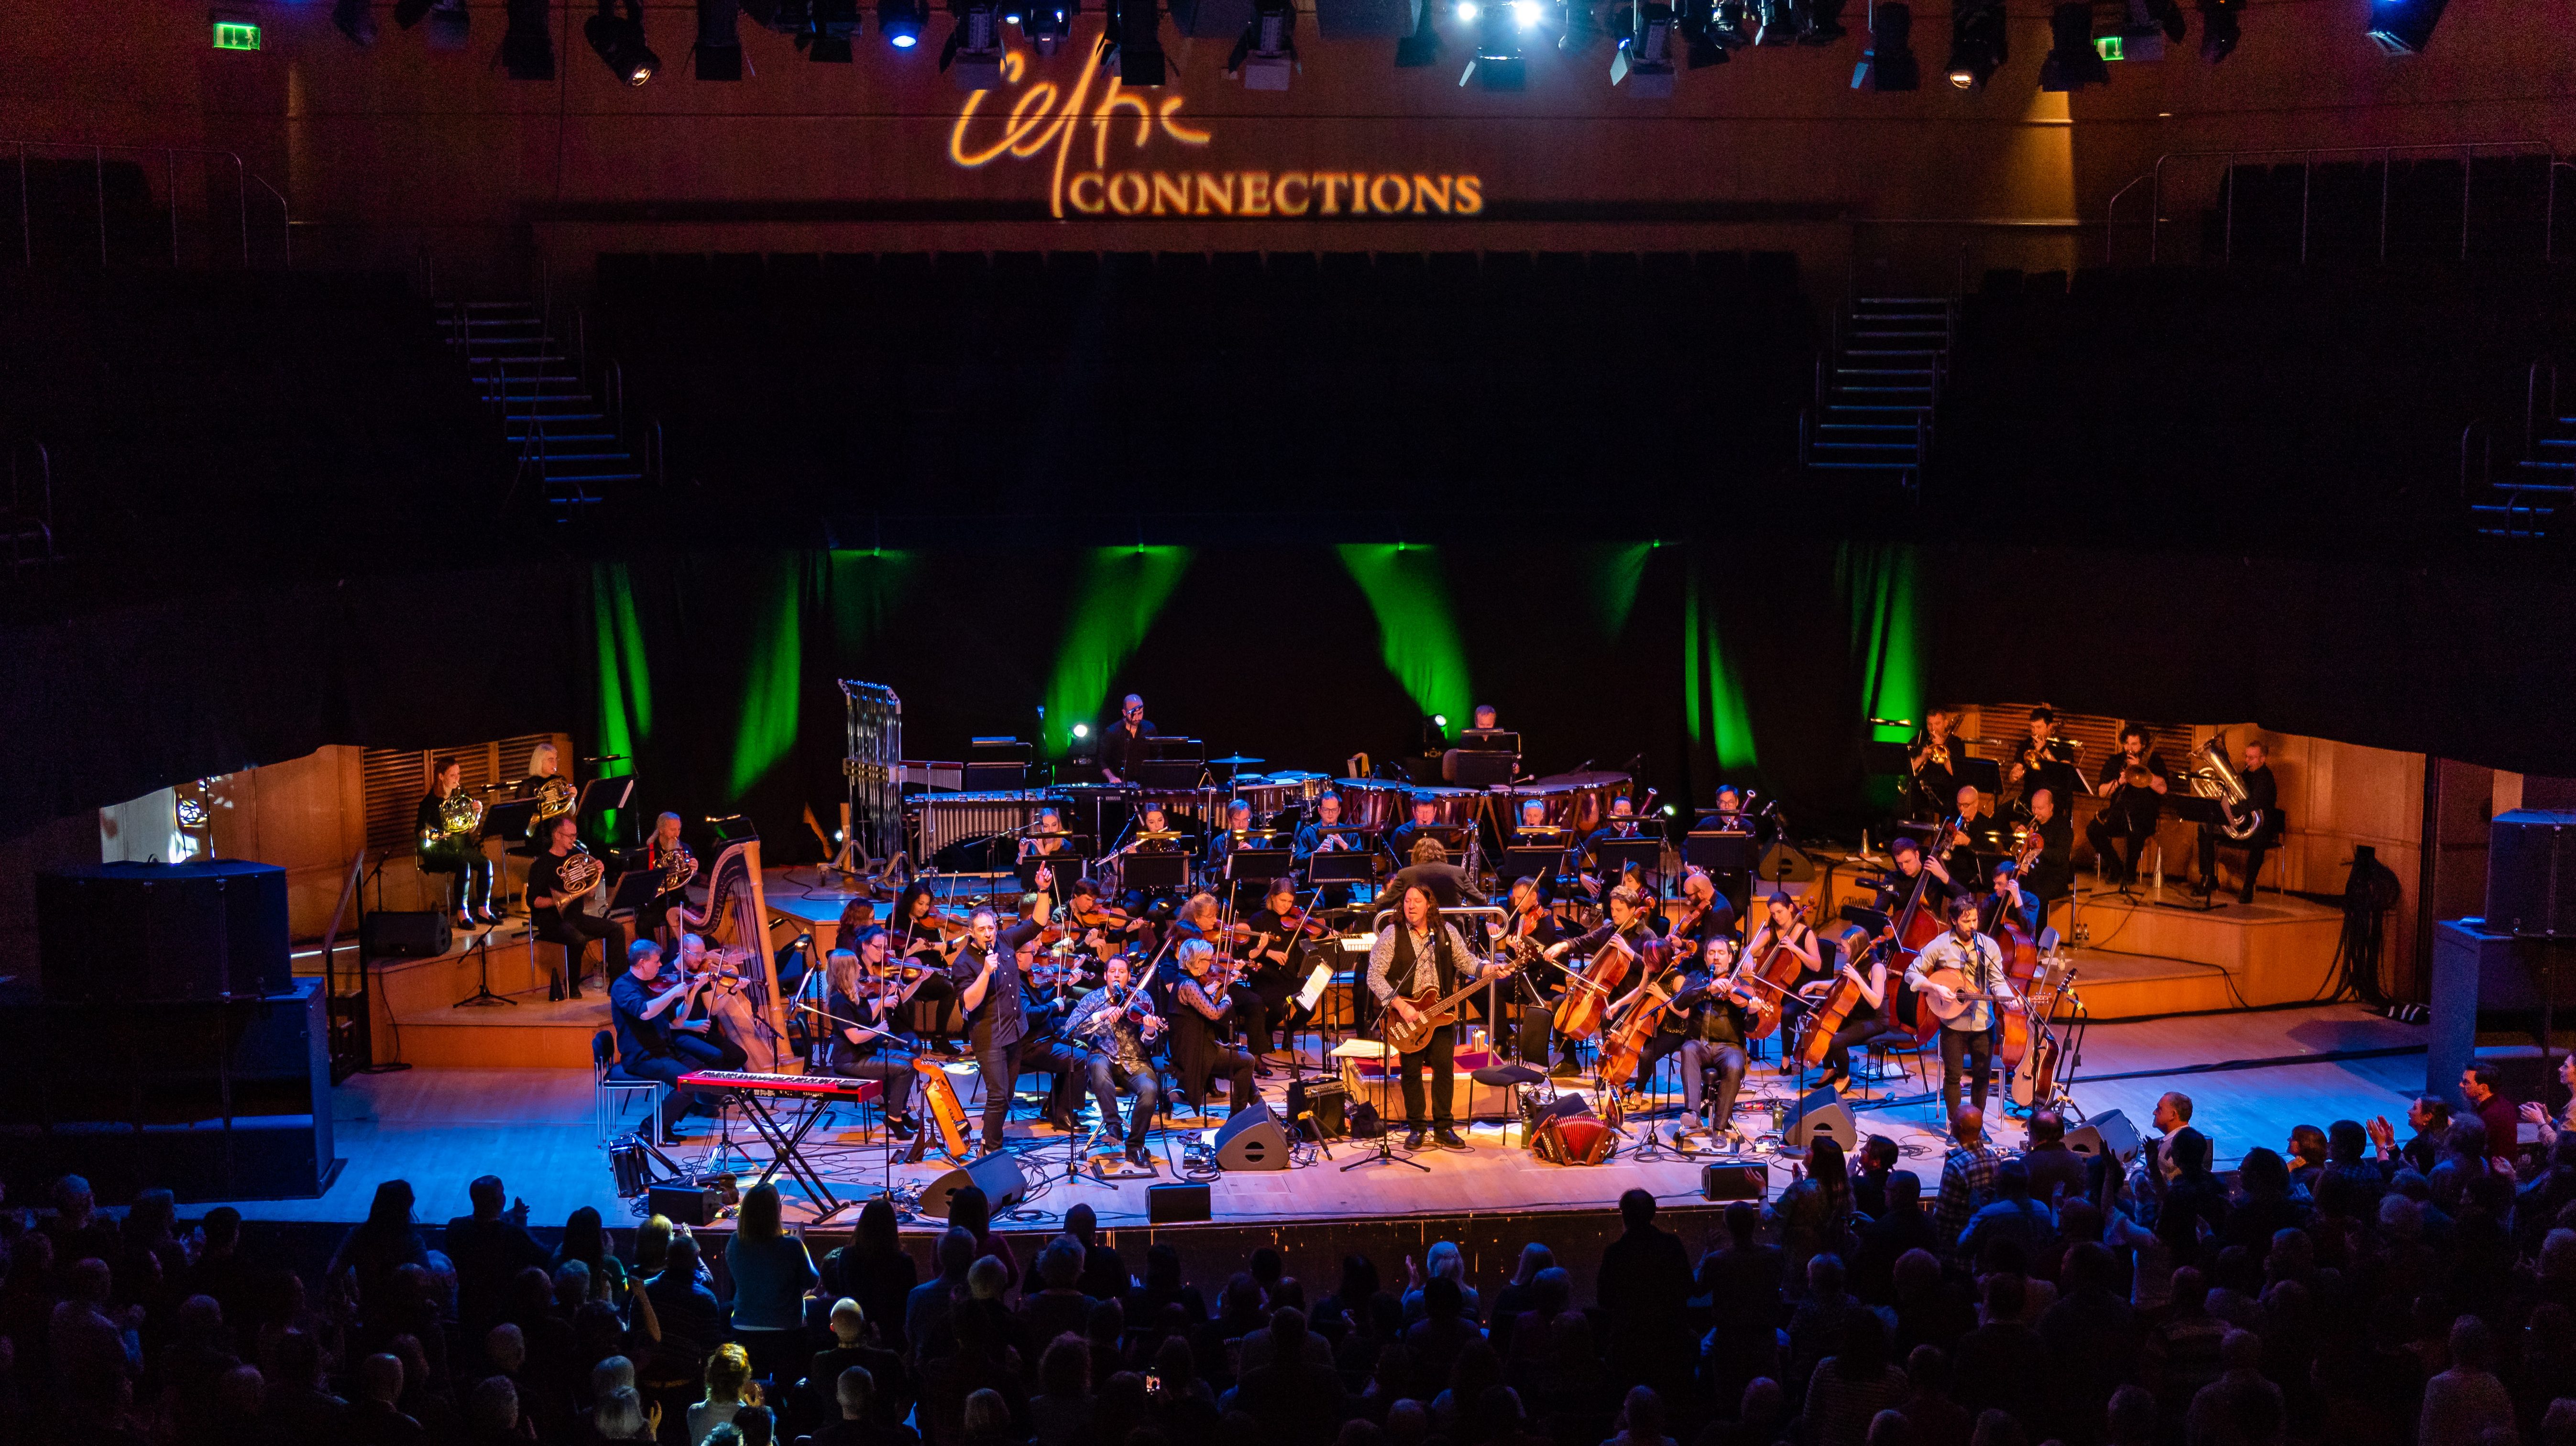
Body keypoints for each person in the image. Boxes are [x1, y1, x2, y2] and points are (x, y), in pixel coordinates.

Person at [1368, 883, 1498, 1152]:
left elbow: (1467, 962)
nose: (1411, 906)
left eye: (1416, 901)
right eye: (1407, 901)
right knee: (1411, 1071)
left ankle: (1443, 1128)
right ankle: (1416, 1128)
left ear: (1429, 904)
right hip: (1406, 1017)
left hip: (1441, 1015)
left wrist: (1488, 969)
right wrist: (1402, 1007)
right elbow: (1374, 976)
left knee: (1444, 1070)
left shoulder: (1446, 933)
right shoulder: (1393, 934)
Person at [1904, 895, 2018, 1120]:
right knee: (1954, 1075)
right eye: (1967, 921)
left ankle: (1976, 1124)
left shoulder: (1988, 946)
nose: (1973, 926)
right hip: (1951, 1020)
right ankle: (1957, 1125)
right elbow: (1911, 974)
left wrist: (2008, 998)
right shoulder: (1940, 945)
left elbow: (1997, 981)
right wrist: (1935, 988)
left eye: (1975, 920)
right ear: (1954, 921)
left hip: (1983, 1020)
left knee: (1982, 1075)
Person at [1538, 883, 1662, 1078]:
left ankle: (1609, 1070)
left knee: (1608, 1014)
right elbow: (1581, 942)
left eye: (1619, 910)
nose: (1614, 914)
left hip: (1630, 996)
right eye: (1612, 909)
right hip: (1603, 992)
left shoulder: (1647, 936)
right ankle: (1570, 1062)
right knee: (1560, 1002)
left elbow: (1654, 969)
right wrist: (1562, 946)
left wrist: (1628, 952)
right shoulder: (1609, 930)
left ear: (1633, 910)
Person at [1066, 953, 1169, 1167]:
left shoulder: (1141, 999)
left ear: (1129, 976)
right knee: (1097, 1065)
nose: (1117, 975)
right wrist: (1101, 1016)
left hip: (1135, 1061)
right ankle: (1114, 1126)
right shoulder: (1094, 999)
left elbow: (1149, 1043)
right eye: (1112, 971)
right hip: (1102, 1058)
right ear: (1105, 976)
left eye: (1122, 972)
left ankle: (1135, 1147)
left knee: (1150, 1089)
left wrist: (1150, 1030)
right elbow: (1071, 1029)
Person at [818, 935, 923, 1139]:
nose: (860, 968)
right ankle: (894, 1118)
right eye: (856, 966)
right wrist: (879, 1029)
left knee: (913, 1060)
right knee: (903, 1068)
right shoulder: (839, 1000)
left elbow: (869, 1015)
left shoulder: (853, 993)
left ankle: (900, 1112)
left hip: (863, 1053)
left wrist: (884, 999)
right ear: (846, 971)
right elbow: (855, 1037)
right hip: (851, 1060)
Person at [948, 908, 1026, 1150]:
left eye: (991, 928)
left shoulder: (1004, 941)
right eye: (981, 930)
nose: (988, 934)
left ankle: (989, 1139)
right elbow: (969, 1003)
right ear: (971, 932)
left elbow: (1038, 923)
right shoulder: (963, 963)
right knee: (998, 1094)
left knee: (1008, 1095)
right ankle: (991, 1147)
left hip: (1014, 1031)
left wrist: (1043, 890)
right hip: (989, 1037)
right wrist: (985, 972)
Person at [727, 1183, 817, 1386]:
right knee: (789, 1387)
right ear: (777, 1211)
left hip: (743, 1329)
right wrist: (801, 1247)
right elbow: (812, 1280)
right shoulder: (792, 1246)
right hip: (787, 1332)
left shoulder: (735, 1242)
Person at [1666, 933, 1752, 1143]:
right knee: (1688, 1049)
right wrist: (1706, 990)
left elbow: (1751, 1028)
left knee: (1734, 1064)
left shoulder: (1739, 984)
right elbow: (1679, 1003)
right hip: (1700, 1045)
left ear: (1730, 958)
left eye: (1721, 953)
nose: (1716, 957)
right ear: (1705, 958)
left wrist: (1754, 1012)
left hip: (1730, 1047)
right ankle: (1693, 1115)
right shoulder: (1696, 978)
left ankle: (1720, 1129)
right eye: (1712, 953)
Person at [444, 1175, 550, 1338]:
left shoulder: (455, 1228)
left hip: (468, 1312)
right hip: (506, 1314)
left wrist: (506, 1216)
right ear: (499, 1201)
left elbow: (482, 1228)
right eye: (502, 1194)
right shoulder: (512, 1234)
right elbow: (544, 1257)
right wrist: (520, 1222)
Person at [526, 813, 614, 1000]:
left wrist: (597, 875)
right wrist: (559, 900)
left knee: (616, 929)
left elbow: (590, 894)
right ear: (557, 835)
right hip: (552, 921)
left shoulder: (578, 858)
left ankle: (616, 984)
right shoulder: (541, 865)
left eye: (575, 836)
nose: (575, 840)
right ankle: (572, 985)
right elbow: (533, 901)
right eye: (571, 836)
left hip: (576, 917)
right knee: (578, 939)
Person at [1796, 926, 1891, 1097]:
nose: (1842, 949)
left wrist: (1857, 978)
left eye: (1844, 946)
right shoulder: (1856, 961)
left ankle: (1844, 1078)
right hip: (1856, 1014)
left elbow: (1877, 1001)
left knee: (1836, 1041)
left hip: (1874, 1020)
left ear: (1855, 946)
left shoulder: (1877, 968)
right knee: (1825, 1028)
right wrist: (1816, 984)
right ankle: (1829, 1071)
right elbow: (1841, 983)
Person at [1171, 939, 1261, 1117]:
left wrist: (1224, 986)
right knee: (1248, 1061)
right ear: (1197, 962)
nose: (1212, 965)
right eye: (1208, 961)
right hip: (1193, 1052)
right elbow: (1214, 1013)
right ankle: (1238, 1118)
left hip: (1198, 1045)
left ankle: (1259, 1108)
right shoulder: (1188, 984)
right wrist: (1227, 1001)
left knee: (1242, 1066)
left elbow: (1206, 1006)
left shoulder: (1187, 980)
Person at [2195, 738, 2282, 905]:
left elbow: (2253, 803)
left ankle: (2248, 886)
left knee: (2259, 842)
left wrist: (2229, 809)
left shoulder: (2266, 779)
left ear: (2263, 759)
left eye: (2252, 758)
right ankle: (2208, 877)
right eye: (2247, 757)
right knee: (2204, 828)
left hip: (2259, 826)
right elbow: (2233, 797)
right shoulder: (2246, 774)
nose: (2247, 761)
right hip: (2241, 823)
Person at [416, 756, 496, 929]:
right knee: (464, 865)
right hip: (439, 850)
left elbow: (471, 829)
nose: (457, 779)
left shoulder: (462, 796)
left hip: (461, 846)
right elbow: (421, 832)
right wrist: (440, 835)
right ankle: (462, 913)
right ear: (441, 777)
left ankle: (484, 910)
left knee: (486, 864)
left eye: (458, 774)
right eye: (452, 775)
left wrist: (477, 814)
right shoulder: (429, 803)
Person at [2085, 724, 2170, 887]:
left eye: (2134, 745)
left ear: (2143, 745)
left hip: (2144, 814)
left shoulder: (2155, 761)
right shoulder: (2115, 761)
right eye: (2127, 744)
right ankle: (2116, 866)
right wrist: (2119, 781)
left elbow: (2163, 788)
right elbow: (2102, 792)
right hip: (2118, 813)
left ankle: (2130, 872)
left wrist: (2142, 769)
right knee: (2093, 829)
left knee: (2136, 830)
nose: (2129, 749)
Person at [1933, 1107, 2005, 1251]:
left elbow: (1942, 1217)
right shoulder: (1996, 1160)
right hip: (1985, 1247)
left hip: (1958, 1250)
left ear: (1958, 1128)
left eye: (1952, 1122)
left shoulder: (1955, 1166)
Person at [1906, 709, 1962, 824]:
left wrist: (1942, 747)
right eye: (1930, 725)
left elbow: (1955, 773)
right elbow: (1909, 769)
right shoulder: (1919, 741)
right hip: (1922, 791)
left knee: (1951, 809)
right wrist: (1922, 757)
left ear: (1946, 723)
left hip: (1946, 793)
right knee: (1904, 805)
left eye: (1937, 724)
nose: (1933, 729)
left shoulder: (1956, 743)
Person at [2461, 1060, 2518, 1155]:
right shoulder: (2499, 1104)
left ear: (2483, 1088)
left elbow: (2472, 1150)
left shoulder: (2490, 1115)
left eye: (2466, 1082)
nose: (2461, 1085)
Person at [1096, 694, 1154, 785]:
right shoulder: (1112, 732)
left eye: (1140, 713)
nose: (1137, 718)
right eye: (1133, 714)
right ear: (1124, 713)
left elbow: (1158, 756)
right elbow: (1101, 760)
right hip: (1121, 783)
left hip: (1146, 783)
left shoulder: (1150, 728)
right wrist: (1112, 778)